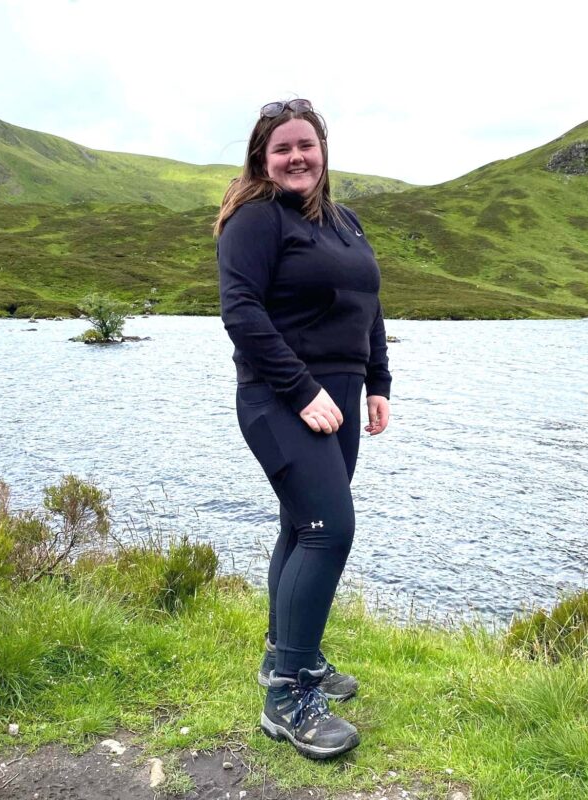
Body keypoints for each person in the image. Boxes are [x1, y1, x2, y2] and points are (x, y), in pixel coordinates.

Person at [215, 98, 391, 759]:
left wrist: (379, 383)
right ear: (263, 157)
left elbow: (368, 306)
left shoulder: (346, 223)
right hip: (278, 397)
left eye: (305, 145)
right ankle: (287, 697)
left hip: (340, 397)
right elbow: (241, 313)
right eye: (282, 147)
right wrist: (303, 389)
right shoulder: (255, 220)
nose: (296, 157)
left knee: (300, 525)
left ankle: (290, 657)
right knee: (329, 528)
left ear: (323, 150)